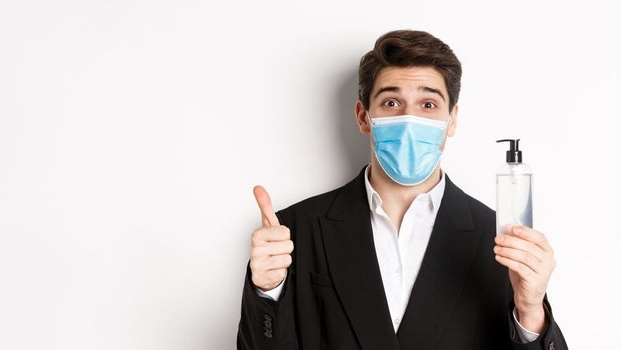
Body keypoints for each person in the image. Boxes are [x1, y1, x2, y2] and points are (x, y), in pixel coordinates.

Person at [237, 29, 568, 350]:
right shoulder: (293, 231)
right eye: (392, 102)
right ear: (363, 116)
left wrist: (530, 311)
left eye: (428, 105)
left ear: (451, 120)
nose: (410, 119)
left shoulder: (499, 239)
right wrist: (267, 292)